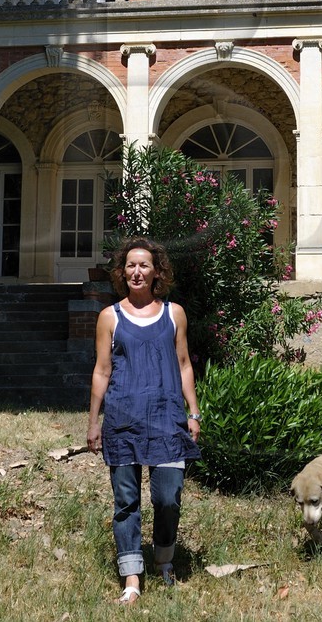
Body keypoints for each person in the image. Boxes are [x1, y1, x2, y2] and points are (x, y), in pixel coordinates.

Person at [87, 236, 202, 605]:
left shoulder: (174, 314)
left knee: (168, 498)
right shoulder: (109, 317)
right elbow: (102, 370)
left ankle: (164, 558)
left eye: (144, 265)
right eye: (130, 266)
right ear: (122, 272)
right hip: (123, 420)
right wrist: (94, 421)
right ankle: (132, 577)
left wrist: (193, 412)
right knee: (126, 502)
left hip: (168, 419)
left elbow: (184, 364)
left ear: (156, 273)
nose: (136, 272)